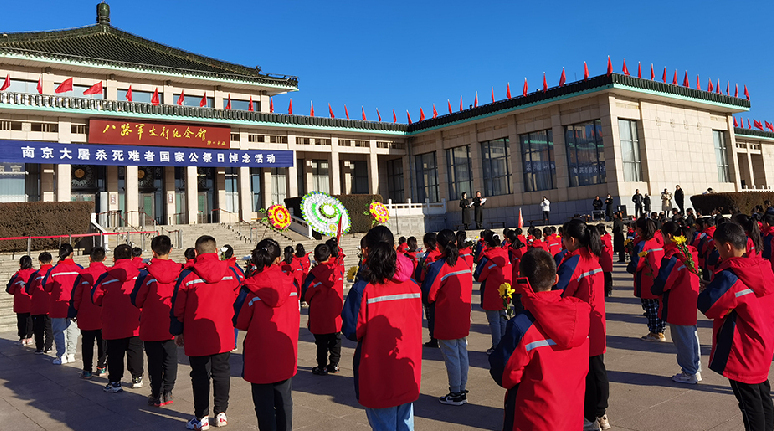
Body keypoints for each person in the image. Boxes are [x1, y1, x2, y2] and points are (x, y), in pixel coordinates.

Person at [489, 249, 591, 431]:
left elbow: (504, 374)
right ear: (556, 279)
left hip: (535, 419)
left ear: (523, 282)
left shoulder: (523, 326)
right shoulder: (580, 316)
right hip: (571, 417)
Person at [698, 222, 774, 431]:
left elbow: (710, 306)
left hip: (743, 351)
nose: (718, 251)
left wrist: (705, 291)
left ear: (728, 247)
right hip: (762, 344)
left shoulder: (731, 276)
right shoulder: (762, 267)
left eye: (718, 246)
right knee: (763, 397)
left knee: (750, 407)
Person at [348, 237, 422, 430]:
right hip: (407, 364)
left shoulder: (368, 290)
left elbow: (352, 329)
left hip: (379, 368)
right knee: (406, 421)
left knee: (383, 423)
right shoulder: (413, 287)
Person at [171, 235, 241, 430]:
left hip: (197, 333)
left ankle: (201, 417)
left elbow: (179, 308)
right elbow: (237, 294)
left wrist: (178, 331)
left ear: (195, 252)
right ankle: (221, 414)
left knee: (200, 375)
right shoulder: (230, 272)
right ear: (216, 250)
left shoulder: (188, 276)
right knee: (222, 372)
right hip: (222, 331)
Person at [235, 238, 299, 431]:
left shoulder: (251, 290)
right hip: (285, 350)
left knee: (264, 406)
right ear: (279, 259)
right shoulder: (292, 287)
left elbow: (241, 322)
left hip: (260, 354)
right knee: (284, 401)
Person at [555, 219, 610, 430]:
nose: (562, 241)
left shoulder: (573, 263)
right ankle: (600, 414)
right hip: (596, 322)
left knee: (585, 374)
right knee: (598, 369)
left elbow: (560, 293)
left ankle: (588, 419)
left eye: (564, 237)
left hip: (580, 327)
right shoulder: (592, 259)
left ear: (572, 240)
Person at [423, 229, 473, 406]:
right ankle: (461, 390)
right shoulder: (463, 263)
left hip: (446, 317)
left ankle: (455, 392)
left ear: (439, 246)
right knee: (461, 353)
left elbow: (429, 294)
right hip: (462, 315)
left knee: (451, 355)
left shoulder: (439, 266)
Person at [132, 235, 179, 407]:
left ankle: (156, 393)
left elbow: (136, 300)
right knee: (171, 358)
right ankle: (168, 391)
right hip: (172, 322)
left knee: (154, 360)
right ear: (171, 249)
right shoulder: (179, 272)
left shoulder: (146, 274)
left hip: (151, 323)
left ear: (152, 251)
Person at [651, 222, 701, 384]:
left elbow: (663, 282)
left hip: (677, 302)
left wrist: (655, 287)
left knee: (682, 339)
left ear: (669, 236)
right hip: (689, 300)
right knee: (691, 336)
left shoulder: (673, 256)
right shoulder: (689, 252)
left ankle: (689, 372)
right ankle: (695, 368)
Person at [92, 244, 144, 392]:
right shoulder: (140, 274)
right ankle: (137, 378)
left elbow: (96, 299)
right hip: (136, 319)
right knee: (136, 349)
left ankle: (115, 382)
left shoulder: (106, 277)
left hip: (113, 321)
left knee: (115, 352)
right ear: (131, 257)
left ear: (114, 258)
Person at [302, 244, 344, 376]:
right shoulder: (338, 271)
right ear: (330, 256)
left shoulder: (312, 275)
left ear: (315, 258)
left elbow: (306, 293)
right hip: (335, 312)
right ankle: (334, 364)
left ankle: (322, 366)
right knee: (336, 339)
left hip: (319, 313)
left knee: (321, 342)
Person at [71, 247, 108, 379]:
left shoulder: (82, 275)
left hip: (86, 314)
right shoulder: (108, 273)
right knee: (103, 342)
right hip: (104, 314)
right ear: (105, 258)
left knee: (87, 343)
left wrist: (74, 310)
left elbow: (77, 295)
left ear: (89, 258)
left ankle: (87, 370)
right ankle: (101, 367)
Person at [627, 217, 666, 342]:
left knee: (650, 309)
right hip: (659, 278)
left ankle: (655, 333)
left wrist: (630, 266)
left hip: (646, 280)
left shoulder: (642, 245)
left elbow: (637, 264)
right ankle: (661, 330)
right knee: (659, 307)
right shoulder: (659, 242)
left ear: (639, 229)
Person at [474, 232, 512, 355]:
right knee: (503, 318)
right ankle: (505, 344)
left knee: (494, 321)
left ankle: (496, 345)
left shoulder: (488, 258)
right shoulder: (505, 255)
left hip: (491, 292)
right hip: (505, 290)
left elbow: (480, 276)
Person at [45, 243, 82, 365]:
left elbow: (47, 287)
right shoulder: (79, 269)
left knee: (59, 331)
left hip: (58, 305)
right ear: (72, 253)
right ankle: (71, 354)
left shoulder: (53, 270)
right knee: (73, 330)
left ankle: (61, 355)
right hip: (74, 305)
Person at [26, 252, 54, 354]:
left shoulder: (36, 275)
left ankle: (39, 347)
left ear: (39, 262)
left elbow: (29, 290)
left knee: (38, 328)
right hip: (50, 306)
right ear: (51, 261)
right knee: (49, 327)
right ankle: (48, 346)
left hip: (37, 306)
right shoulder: (53, 272)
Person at [417, 232, 441, 348]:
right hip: (441, 288)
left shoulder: (427, 257)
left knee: (430, 315)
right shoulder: (440, 254)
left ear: (426, 244)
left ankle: (434, 338)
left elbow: (421, 275)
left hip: (429, 288)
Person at [7, 255, 35, 346]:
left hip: (20, 303)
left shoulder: (17, 275)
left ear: (20, 264)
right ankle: (30, 337)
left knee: (21, 321)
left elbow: (10, 290)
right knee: (30, 320)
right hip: (32, 301)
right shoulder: (35, 273)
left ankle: (22, 338)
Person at [597, 225, 614, 297]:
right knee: (608, 275)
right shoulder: (607, 239)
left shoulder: (599, 241)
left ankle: (605, 290)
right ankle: (609, 289)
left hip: (601, 261)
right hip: (608, 260)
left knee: (603, 277)